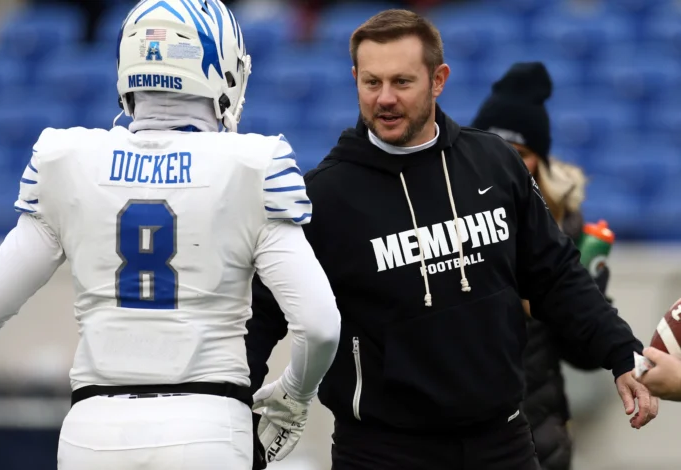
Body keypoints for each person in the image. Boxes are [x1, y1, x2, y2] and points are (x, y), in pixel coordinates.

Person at [0, 1, 341, 469]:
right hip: (208, 427)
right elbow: (320, 325)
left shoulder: (70, 160)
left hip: (94, 433)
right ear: (219, 67)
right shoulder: (253, 165)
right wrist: (295, 395)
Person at [245, 9, 658, 470]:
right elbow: (262, 313)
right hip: (383, 452)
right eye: (371, 82)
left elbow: (556, 273)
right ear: (354, 80)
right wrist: (231, 406)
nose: (384, 99)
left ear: (438, 80)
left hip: (503, 442)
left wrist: (621, 352)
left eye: (402, 82)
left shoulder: (495, 162)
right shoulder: (324, 195)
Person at [470, 62, 613, 470]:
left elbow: (587, 356)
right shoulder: (435, 215)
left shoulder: (565, 230)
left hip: (538, 434)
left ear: (539, 162)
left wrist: (586, 298)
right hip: (452, 432)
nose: (503, 162)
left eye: (520, 154)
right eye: (492, 145)